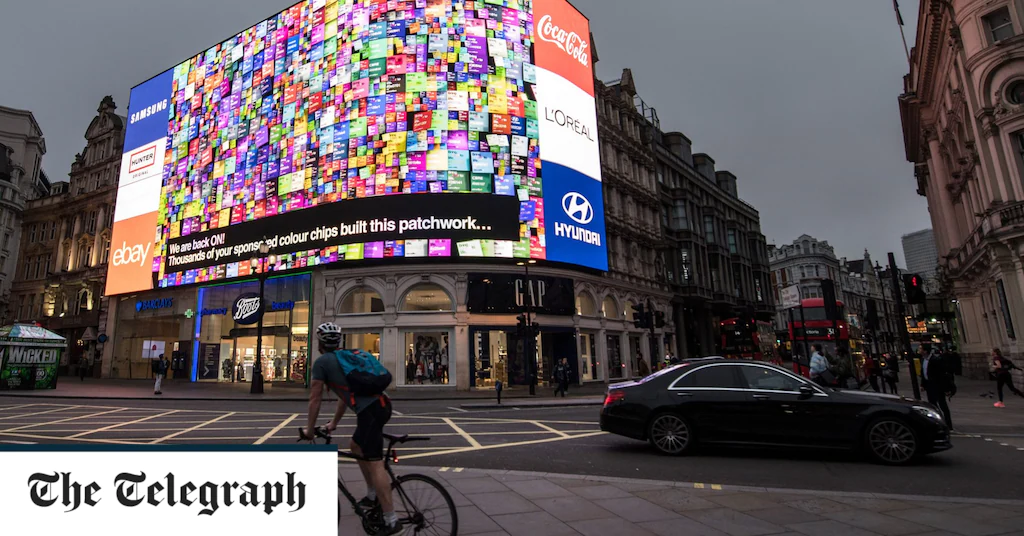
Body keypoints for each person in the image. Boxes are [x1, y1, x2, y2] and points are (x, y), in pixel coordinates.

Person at [302, 322, 401, 535]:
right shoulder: (348, 357)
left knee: (375, 464)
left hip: (372, 412)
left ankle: (392, 519)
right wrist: (334, 423)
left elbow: (314, 399)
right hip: (381, 405)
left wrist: (310, 430)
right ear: (339, 341)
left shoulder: (322, 363)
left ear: (320, 342)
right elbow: (346, 396)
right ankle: (373, 494)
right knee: (355, 446)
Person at [920, 343, 953, 429]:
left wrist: (946, 388)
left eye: (920, 349)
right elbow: (923, 373)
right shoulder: (923, 360)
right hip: (929, 386)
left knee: (943, 406)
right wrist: (923, 385)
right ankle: (938, 423)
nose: (919, 351)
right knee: (932, 406)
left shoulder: (935, 360)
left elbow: (942, 375)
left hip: (937, 386)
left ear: (925, 351)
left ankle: (948, 425)